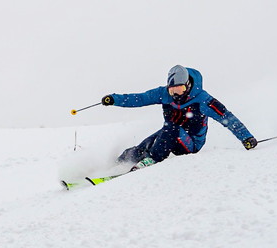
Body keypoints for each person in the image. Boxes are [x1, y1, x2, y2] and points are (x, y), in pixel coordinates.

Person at [102, 64, 257, 170]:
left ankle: (152, 160)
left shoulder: (203, 99)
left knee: (171, 128)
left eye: (180, 89)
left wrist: (246, 138)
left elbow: (227, 118)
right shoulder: (163, 94)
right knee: (145, 145)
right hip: (170, 135)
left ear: (188, 85)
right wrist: (114, 99)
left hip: (191, 144)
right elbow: (139, 98)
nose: (176, 95)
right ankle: (117, 163)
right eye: (172, 91)